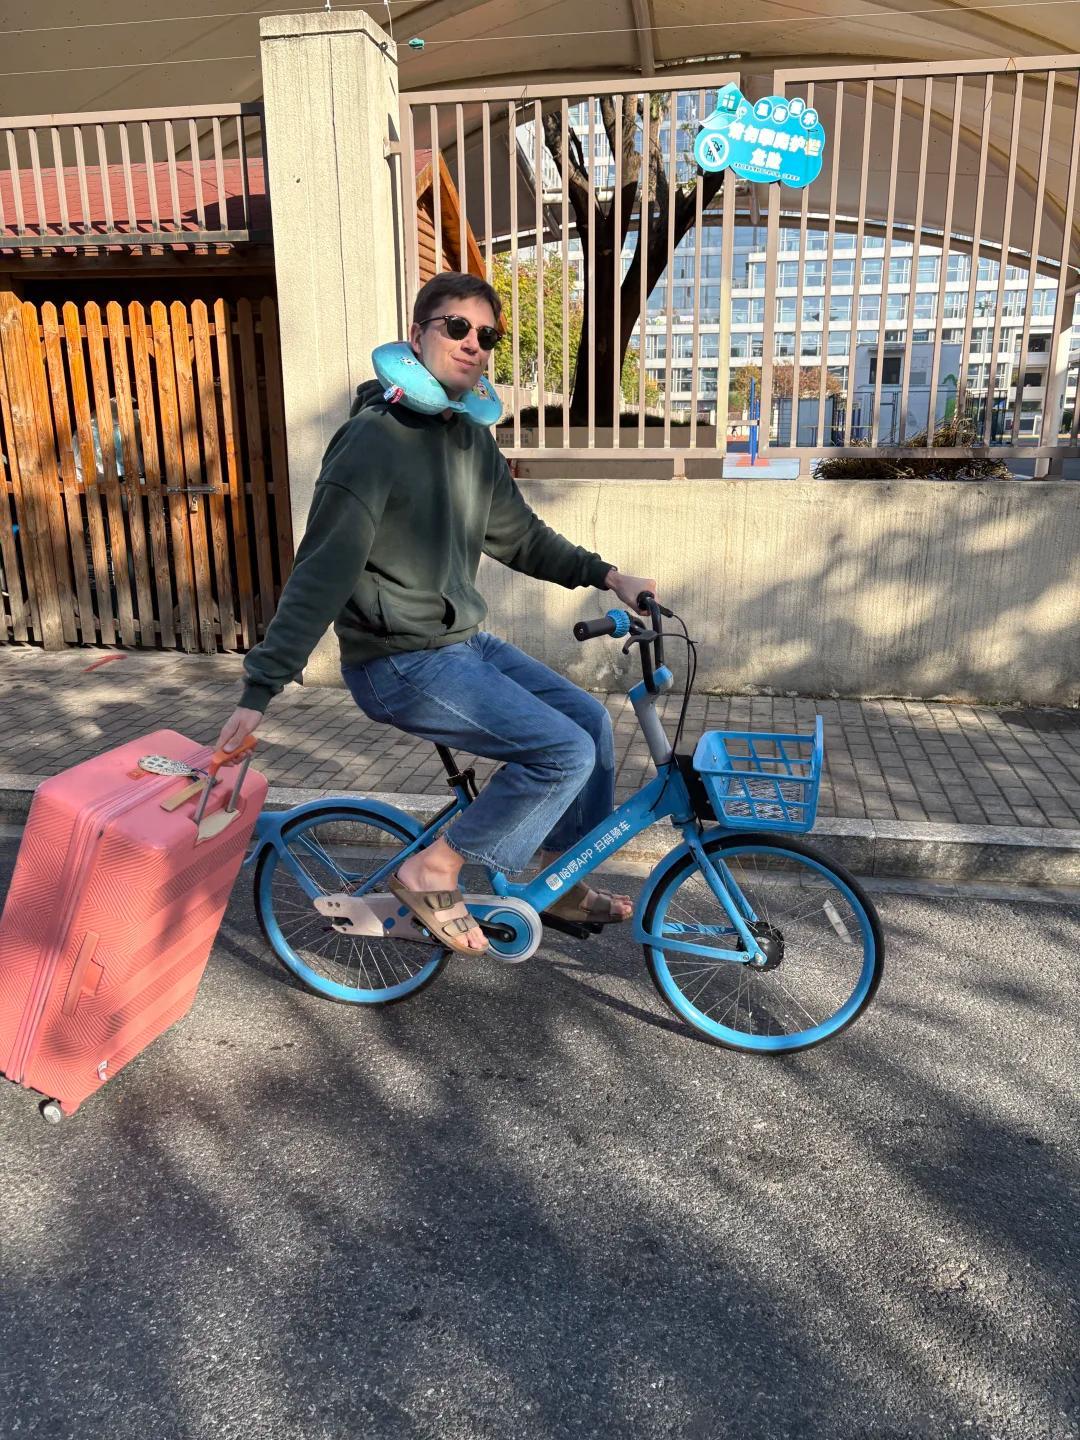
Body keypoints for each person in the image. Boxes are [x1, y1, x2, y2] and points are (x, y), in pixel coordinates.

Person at [217, 271, 660, 957]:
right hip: (398, 661)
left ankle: (558, 875)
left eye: (487, 335)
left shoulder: (469, 439)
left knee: (591, 725)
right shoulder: (373, 441)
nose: (473, 343)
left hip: (461, 645)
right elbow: (323, 570)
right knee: (560, 752)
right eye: (457, 327)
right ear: (417, 334)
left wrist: (608, 576)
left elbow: (521, 536)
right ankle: (433, 870)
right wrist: (260, 687)